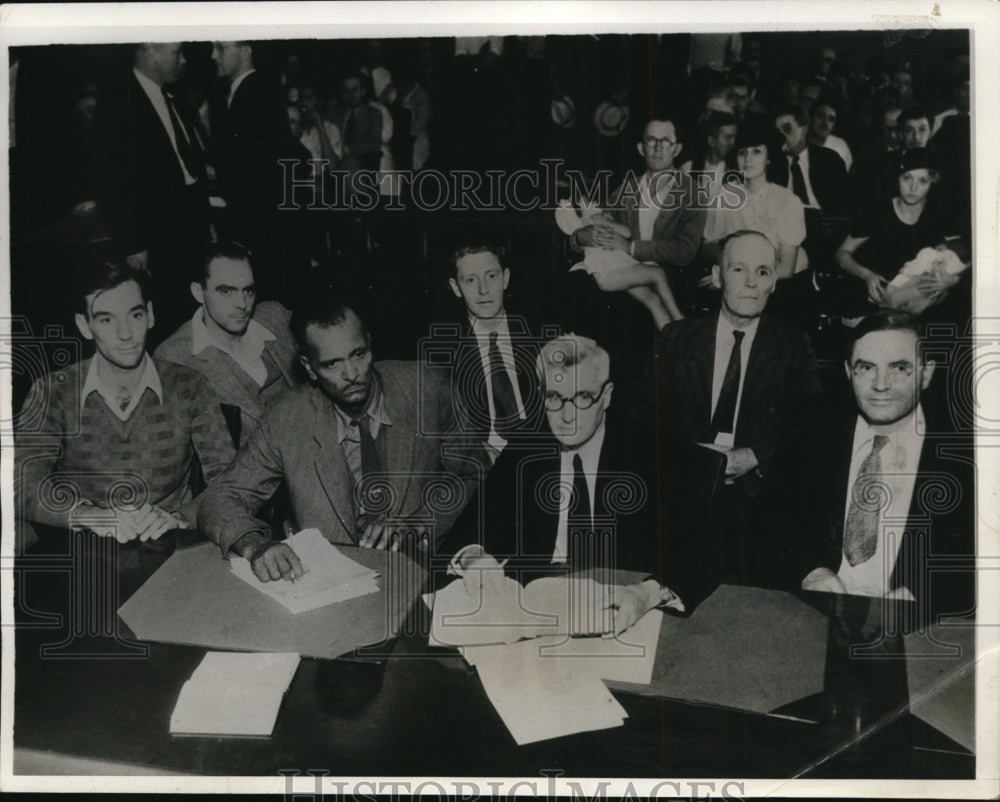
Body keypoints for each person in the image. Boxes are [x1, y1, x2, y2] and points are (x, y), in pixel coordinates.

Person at [197, 288, 486, 583]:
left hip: (421, 575)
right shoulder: (286, 419)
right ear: (309, 368)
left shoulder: (429, 388)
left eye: (358, 354)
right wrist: (255, 545)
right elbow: (220, 497)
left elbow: (472, 474)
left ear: (370, 344)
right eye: (332, 364)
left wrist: (419, 522)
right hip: (332, 585)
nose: (352, 373)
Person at [445, 334, 701, 636]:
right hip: (534, 607)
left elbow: (700, 548)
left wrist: (645, 594)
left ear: (606, 395)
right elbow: (470, 527)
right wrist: (475, 557)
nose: (567, 416)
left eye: (582, 397)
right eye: (555, 397)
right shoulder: (526, 447)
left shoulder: (652, 451)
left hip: (622, 603)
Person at [635, 230, 822, 584]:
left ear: (774, 284)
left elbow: (809, 431)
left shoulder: (794, 345)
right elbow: (641, 420)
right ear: (718, 276)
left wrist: (754, 455)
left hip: (758, 504)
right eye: (739, 270)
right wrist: (688, 458)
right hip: (681, 499)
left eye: (763, 272)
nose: (752, 283)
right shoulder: (678, 339)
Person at [764, 310, 973, 618]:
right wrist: (809, 571)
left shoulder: (964, 451)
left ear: (926, 373)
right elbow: (772, 516)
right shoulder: (812, 423)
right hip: (813, 612)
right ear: (849, 372)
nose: (880, 385)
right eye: (866, 368)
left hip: (918, 622)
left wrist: (922, 596)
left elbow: (980, 554)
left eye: (899, 368)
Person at [15, 261, 235, 548]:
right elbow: (19, 484)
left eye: (135, 315)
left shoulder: (189, 385)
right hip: (83, 546)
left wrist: (182, 516)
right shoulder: (53, 390)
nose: (125, 333)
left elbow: (231, 480)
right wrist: (91, 516)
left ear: (151, 315)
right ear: (85, 325)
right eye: (106, 320)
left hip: (168, 541)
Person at [93, 43, 211, 336]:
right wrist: (134, 242)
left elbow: (186, 166)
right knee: (168, 316)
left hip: (188, 229)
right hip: (155, 237)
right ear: (151, 51)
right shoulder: (119, 102)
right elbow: (111, 179)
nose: (183, 61)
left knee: (193, 309)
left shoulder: (173, 97)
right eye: (176, 53)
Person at [154, 243, 303, 448]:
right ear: (199, 292)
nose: (242, 303)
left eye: (248, 290)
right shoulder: (174, 358)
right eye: (226, 291)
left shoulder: (275, 318)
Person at [834, 148, 956, 312]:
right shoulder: (878, 210)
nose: (913, 188)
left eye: (922, 181)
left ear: (932, 183)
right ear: (897, 179)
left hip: (915, 295)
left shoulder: (937, 214)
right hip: (876, 297)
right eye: (907, 178)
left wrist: (950, 280)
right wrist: (866, 275)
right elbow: (842, 253)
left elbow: (959, 256)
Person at [702, 120, 807, 281]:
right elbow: (709, 244)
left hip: (779, 281)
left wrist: (742, 276)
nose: (748, 160)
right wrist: (726, 266)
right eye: (742, 152)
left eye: (757, 152)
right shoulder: (725, 194)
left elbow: (786, 269)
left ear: (768, 158)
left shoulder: (787, 201)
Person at [556, 201, 684, 324]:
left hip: (613, 269)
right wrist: (606, 219)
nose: (592, 200)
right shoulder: (596, 219)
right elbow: (626, 232)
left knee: (653, 300)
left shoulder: (585, 227)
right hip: (613, 269)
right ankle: (681, 322)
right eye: (587, 199)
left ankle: (672, 338)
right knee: (658, 274)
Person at [768, 104, 850, 215]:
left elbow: (843, 205)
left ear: (804, 128)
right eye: (778, 131)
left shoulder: (830, 160)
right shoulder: (769, 163)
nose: (781, 136)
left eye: (787, 129)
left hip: (823, 224)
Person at [808, 96, 852, 171]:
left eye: (831, 119)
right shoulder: (797, 145)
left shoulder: (841, 146)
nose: (825, 123)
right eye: (821, 116)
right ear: (811, 118)